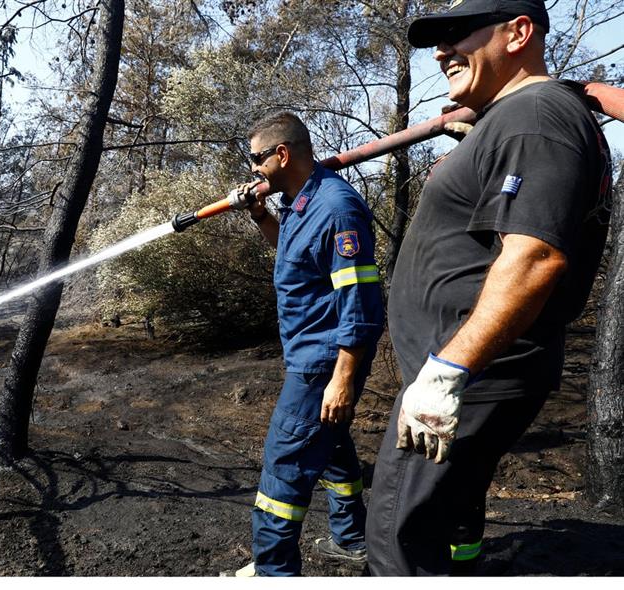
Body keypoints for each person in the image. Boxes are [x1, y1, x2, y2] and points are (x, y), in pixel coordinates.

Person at [365, 0, 613, 576]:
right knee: (430, 532)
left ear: (519, 32)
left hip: (468, 373)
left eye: (458, 33)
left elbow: (535, 255)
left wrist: (449, 371)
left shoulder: (538, 116)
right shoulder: (521, 118)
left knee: (398, 543)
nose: (441, 50)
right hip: (468, 370)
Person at [226, 111, 385, 576]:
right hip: (306, 352)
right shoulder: (298, 200)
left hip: (321, 362)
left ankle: (273, 571)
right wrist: (259, 214)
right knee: (332, 449)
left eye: (256, 158)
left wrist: (343, 378)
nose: (251, 167)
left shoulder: (337, 208)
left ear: (281, 154)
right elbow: (295, 256)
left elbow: (360, 301)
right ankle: (352, 539)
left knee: (283, 467)